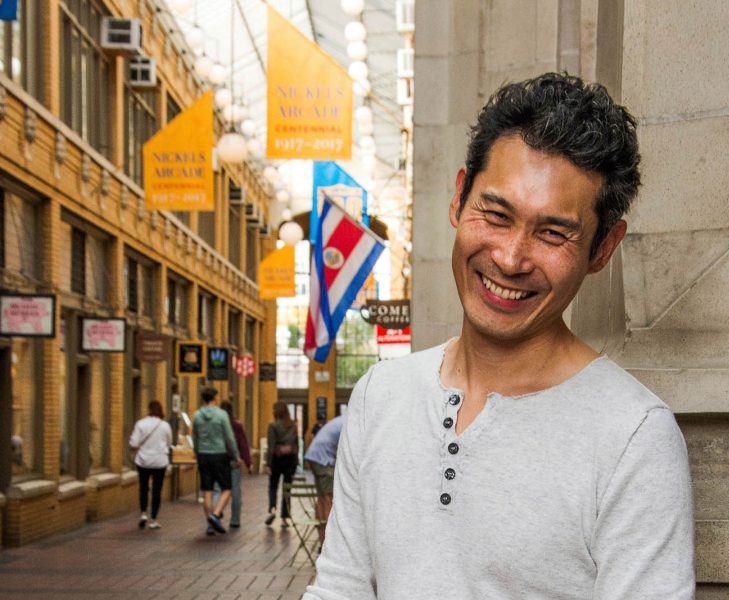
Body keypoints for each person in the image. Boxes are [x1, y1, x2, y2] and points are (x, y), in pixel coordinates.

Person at [305, 73, 695, 599]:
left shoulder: (633, 436)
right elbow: (340, 588)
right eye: (496, 214)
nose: (511, 259)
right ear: (459, 197)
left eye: (554, 233)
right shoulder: (381, 395)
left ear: (603, 249)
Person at [192, 386, 239, 536]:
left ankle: (210, 524)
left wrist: (196, 452)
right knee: (227, 488)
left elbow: (195, 437)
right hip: (219, 455)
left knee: (207, 490)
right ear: (215, 398)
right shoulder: (222, 415)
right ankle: (216, 514)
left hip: (203, 455)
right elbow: (229, 437)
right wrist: (236, 455)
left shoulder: (197, 415)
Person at [129, 401, 172, 530]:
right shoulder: (165, 426)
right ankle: (153, 519)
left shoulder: (140, 424)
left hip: (143, 460)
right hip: (159, 461)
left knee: (143, 487)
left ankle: (143, 514)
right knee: (157, 490)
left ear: (148, 409)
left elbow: (134, 443)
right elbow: (169, 443)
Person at [304, 415, 345, 547]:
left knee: (321, 498)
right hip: (323, 459)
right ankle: (329, 544)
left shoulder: (342, 420)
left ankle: (322, 541)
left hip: (315, 456)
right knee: (328, 498)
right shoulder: (350, 424)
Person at [211, 400, 252, 528]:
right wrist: (248, 462)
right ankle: (235, 520)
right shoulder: (236, 425)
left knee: (217, 489)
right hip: (234, 461)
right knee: (235, 491)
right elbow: (243, 444)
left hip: (219, 461)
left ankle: (216, 514)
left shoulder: (216, 424)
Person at [264, 401, 298, 527]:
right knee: (287, 488)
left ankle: (272, 510)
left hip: (276, 459)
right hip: (290, 460)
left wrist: (268, 464)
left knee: (273, 486)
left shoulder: (273, 426)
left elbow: (271, 446)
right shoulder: (293, 425)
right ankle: (285, 517)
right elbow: (296, 444)